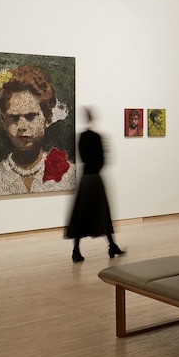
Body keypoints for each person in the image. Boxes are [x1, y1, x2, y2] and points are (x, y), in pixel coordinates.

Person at [0, 65, 76, 198]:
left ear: (47, 119)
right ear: (4, 120)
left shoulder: (70, 176)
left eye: (30, 116)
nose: (21, 126)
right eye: (13, 118)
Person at [65, 107, 125, 263]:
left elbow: (83, 157)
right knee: (101, 213)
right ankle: (111, 246)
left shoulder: (81, 138)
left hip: (86, 179)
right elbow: (103, 159)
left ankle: (77, 250)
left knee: (82, 215)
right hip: (95, 180)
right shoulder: (97, 137)